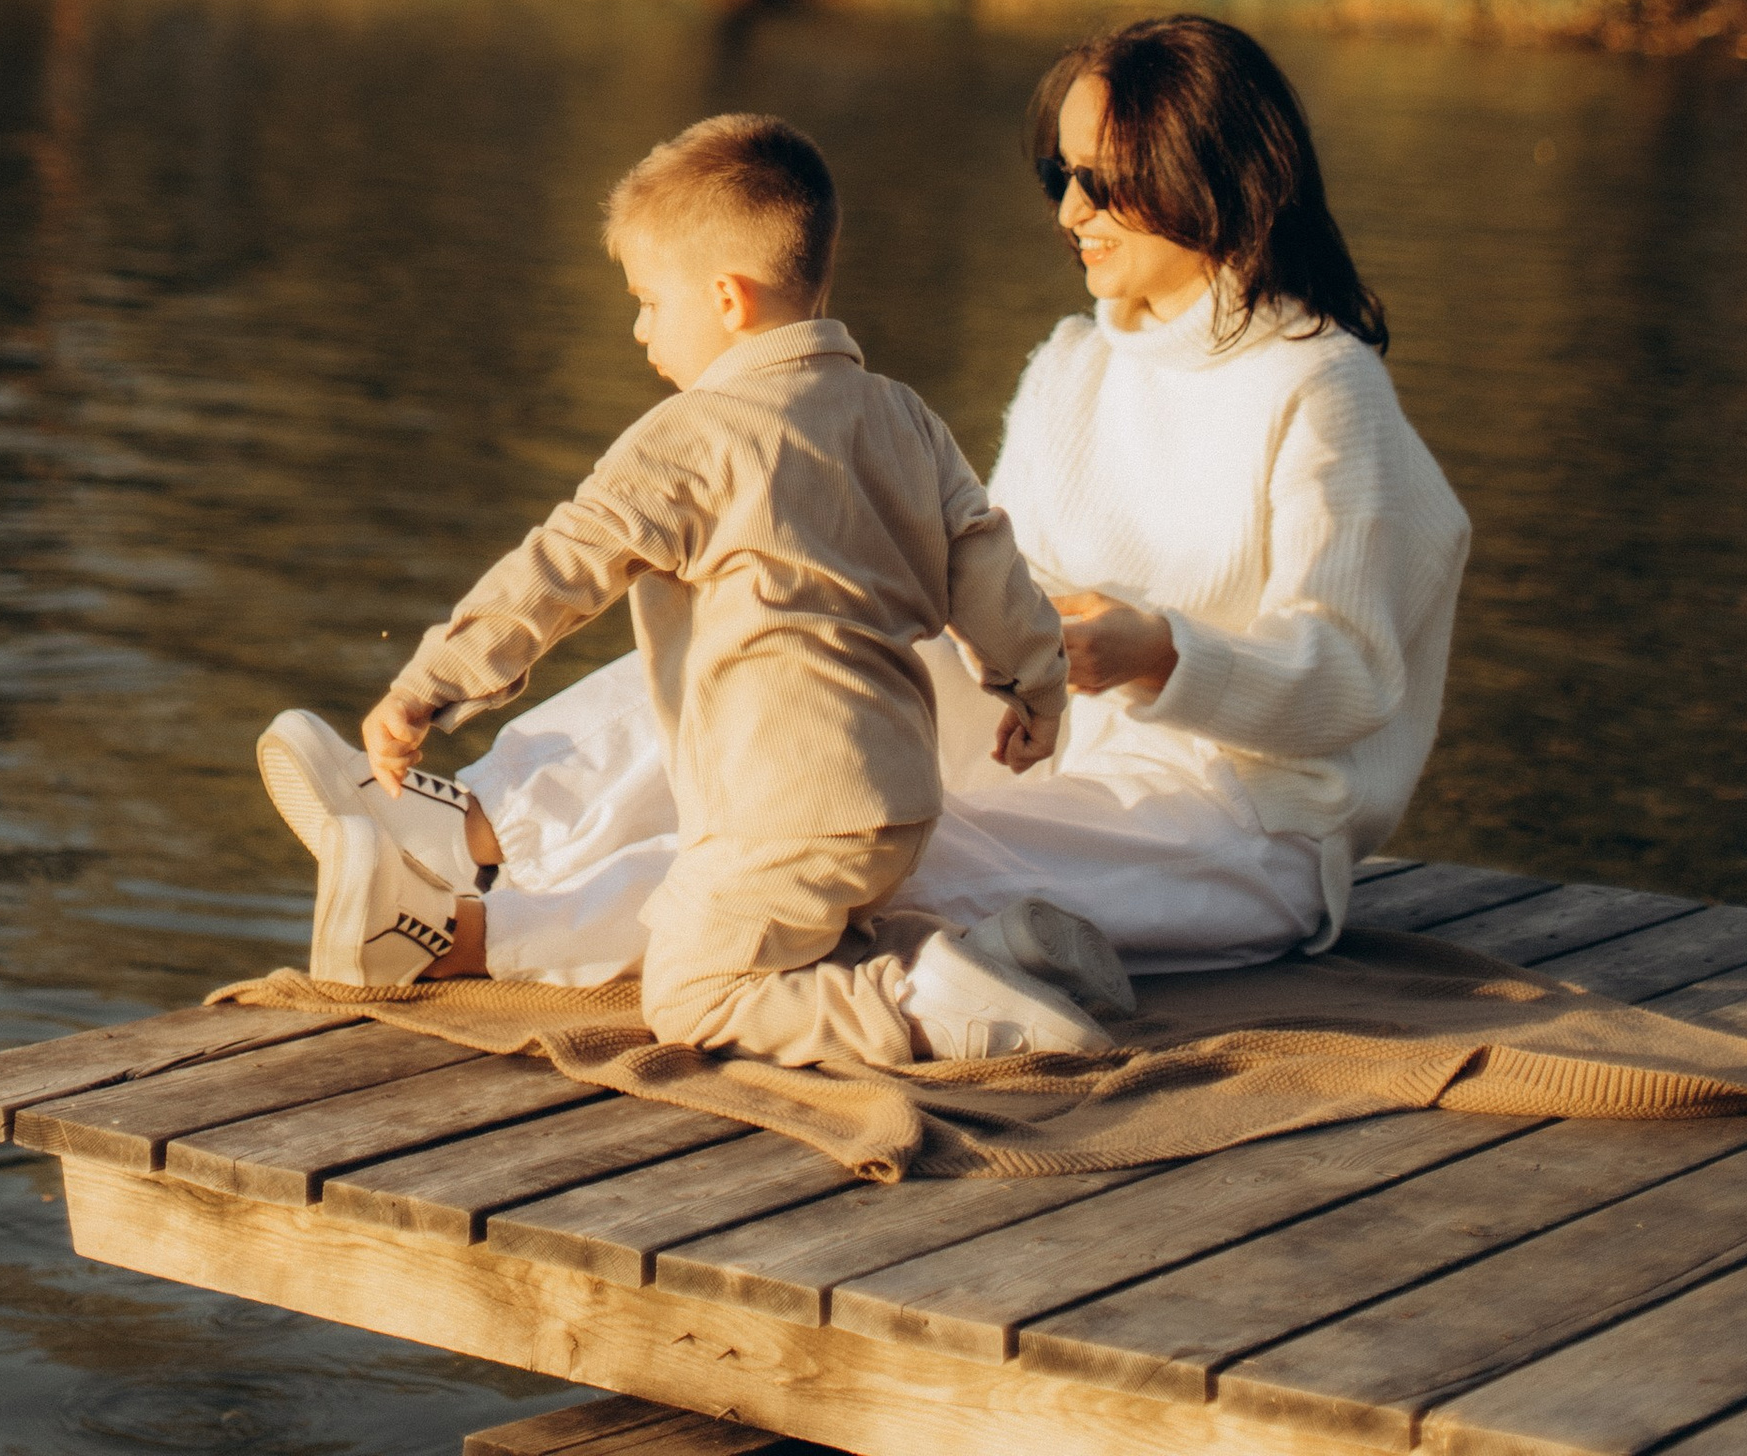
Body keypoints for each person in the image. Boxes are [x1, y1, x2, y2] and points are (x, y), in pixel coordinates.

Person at [362, 17, 1470, 992]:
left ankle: (470, 930)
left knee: (826, 846)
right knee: (779, 654)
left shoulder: (1322, 390)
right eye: (1059, 176)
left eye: (1102, 181)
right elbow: (966, 579)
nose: (1070, 210)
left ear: (1207, 174)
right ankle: (459, 819)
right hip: (1045, 731)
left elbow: (1354, 683)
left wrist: (1154, 652)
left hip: (1235, 824)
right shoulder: (1074, 363)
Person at [258, 111, 1134, 1066]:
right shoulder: (905, 417)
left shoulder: (694, 435)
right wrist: (1034, 688)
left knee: (693, 991)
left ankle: (925, 1007)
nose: (639, 329)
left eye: (645, 300)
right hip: (900, 795)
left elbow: (559, 570)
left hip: (780, 809)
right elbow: (986, 560)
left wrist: (431, 683)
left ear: (726, 299)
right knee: (780, 936)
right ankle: (1002, 958)